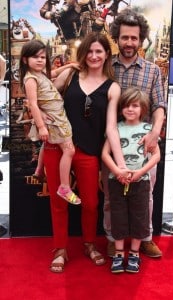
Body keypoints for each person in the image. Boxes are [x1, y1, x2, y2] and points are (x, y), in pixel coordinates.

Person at [43, 32, 122, 272]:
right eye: (90, 51)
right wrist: (42, 115)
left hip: (89, 150)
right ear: (83, 53)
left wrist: (120, 164)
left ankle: (89, 243)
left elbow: (111, 127)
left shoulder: (113, 87)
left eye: (99, 51)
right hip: (57, 146)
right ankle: (60, 248)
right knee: (59, 201)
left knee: (90, 202)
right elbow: (40, 85)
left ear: (107, 54)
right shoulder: (70, 75)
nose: (94, 55)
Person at [103, 8, 166, 258]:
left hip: (144, 146)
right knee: (111, 197)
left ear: (141, 40)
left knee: (145, 197)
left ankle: (146, 237)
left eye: (134, 38)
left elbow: (160, 105)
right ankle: (112, 237)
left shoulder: (152, 70)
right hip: (113, 144)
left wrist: (154, 135)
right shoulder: (107, 67)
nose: (129, 42)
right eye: (125, 37)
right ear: (116, 38)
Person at [102, 86, 160, 274]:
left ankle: (134, 253)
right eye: (126, 105)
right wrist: (117, 171)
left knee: (139, 217)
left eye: (135, 106)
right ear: (121, 109)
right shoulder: (115, 129)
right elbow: (105, 154)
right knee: (117, 216)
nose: (130, 109)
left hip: (141, 181)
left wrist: (140, 172)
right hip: (116, 180)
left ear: (142, 108)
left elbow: (156, 156)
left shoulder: (148, 129)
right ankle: (119, 253)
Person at [19, 39, 81, 205]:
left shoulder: (40, 74)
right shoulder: (30, 79)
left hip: (57, 116)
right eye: (35, 57)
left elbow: (53, 73)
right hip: (54, 120)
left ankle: (39, 170)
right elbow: (32, 103)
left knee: (47, 146)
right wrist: (41, 126)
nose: (40, 60)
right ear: (25, 60)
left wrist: (69, 66)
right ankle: (65, 186)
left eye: (43, 57)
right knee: (69, 150)